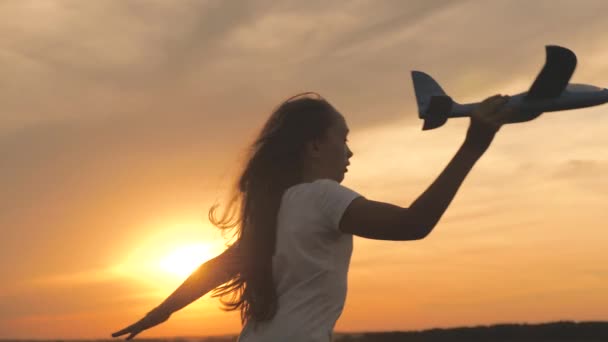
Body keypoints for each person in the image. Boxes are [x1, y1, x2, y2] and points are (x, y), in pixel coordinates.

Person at [111, 92, 516, 341]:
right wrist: (473, 145)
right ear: (314, 147)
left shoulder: (273, 209)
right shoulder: (323, 198)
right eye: (343, 139)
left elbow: (212, 270)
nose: (349, 152)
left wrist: (156, 314)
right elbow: (414, 224)